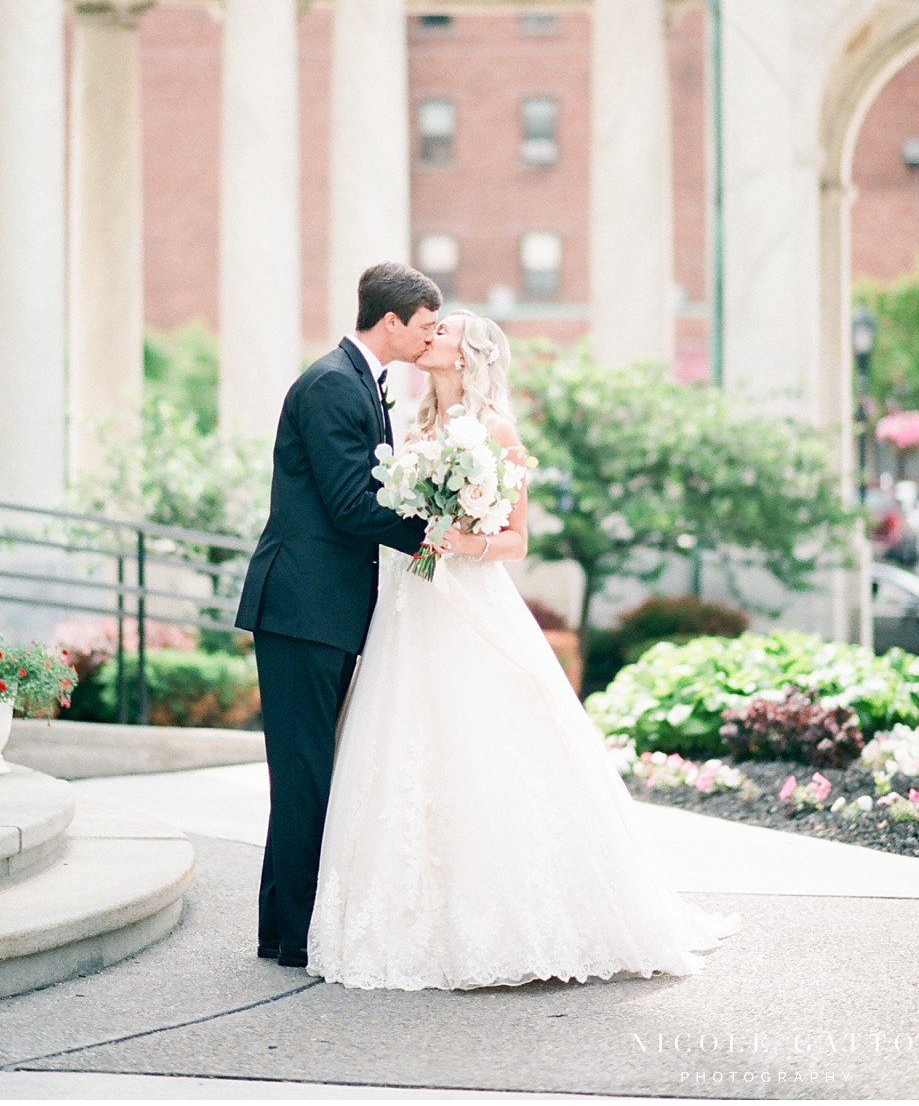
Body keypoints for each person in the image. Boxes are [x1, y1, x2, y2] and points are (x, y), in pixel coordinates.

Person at [306, 310, 738, 988]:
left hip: (469, 605)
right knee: (406, 741)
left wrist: (460, 541)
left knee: (484, 742)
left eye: (442, 332)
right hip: (409, 606)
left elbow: (516, 540)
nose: (430, 338)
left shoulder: (497, 434)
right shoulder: (413, 428)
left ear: (467, 355)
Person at [234, 262, 440, 969]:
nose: (429, 337)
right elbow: (352, 505)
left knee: (310, 768)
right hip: (301, 607)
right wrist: (438, 528)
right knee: (304, 772)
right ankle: (292, 934)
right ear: (392, 320)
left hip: (326, 608)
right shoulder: (330, 385)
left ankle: (283, 927)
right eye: (424, 325)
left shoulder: (359, 384)